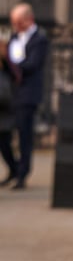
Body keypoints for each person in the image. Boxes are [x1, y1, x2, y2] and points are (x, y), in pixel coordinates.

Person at [5, 3, 49, 189]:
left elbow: (32, 65)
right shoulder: (15, 37)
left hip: (27, 94)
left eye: (18, 22)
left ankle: (22, 173)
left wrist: (10, 64)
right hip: (9, 94)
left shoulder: (40, 39)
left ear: (28, 19)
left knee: (24, 135)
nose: (16, 26)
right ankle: (13, 168)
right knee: (4, 135)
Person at [0, 43, 19, 181]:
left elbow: (5, 96)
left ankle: (15, 169)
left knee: (5, 145)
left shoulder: (5, 72)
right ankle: (15, 169)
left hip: (4, 116)